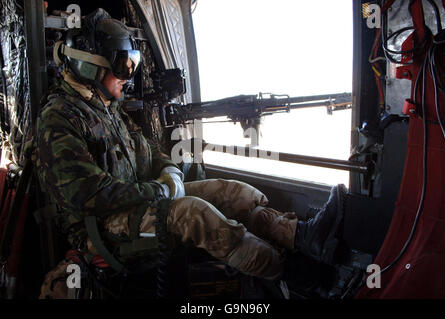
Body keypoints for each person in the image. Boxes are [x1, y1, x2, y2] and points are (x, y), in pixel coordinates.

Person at [36, 9, 347, 297]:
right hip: (101, 227)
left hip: (141, 201)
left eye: (132, 63)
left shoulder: (108, 108)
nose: (128, 75)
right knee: (194, 214)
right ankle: (301, 277)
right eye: (122, 65)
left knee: (232, 193)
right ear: (90, 65)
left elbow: (150, 151)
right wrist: (157, 190)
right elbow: (86, 194)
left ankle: (304, 236)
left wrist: (169, 171)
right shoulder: (60, 118)